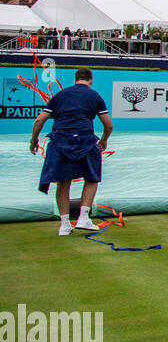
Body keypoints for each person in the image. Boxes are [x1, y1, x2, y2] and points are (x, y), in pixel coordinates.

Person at [29, 67, 112, 236]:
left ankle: (65, 224)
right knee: (92, 178)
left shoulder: (60, 95)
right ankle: (83, 217)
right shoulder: (94, 96)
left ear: (75, 79)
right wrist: (103, 140)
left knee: (63, 181)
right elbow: (108, 125)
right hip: (85, 141)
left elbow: (39, 120)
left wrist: (34, 141)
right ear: (91, 80)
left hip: (60, 141)